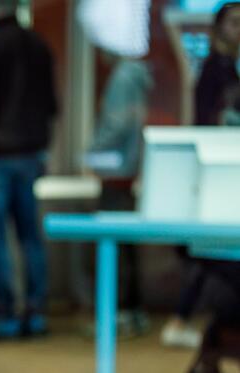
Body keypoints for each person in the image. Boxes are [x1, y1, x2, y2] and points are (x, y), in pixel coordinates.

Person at [0, 0, 57, 340]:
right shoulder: (38, 44)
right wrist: (44, 150)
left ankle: (5, 314)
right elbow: (51, 107)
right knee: (30, 235)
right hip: (31, 153)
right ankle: (36, 312)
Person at [164, 1, 240, 348]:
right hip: (214, 177)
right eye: (234, 23)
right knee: (210, 253)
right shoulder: (215, 71)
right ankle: (182, 321)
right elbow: (208, 124)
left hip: (223, 176)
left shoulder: (226, 70)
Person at [85, 53, 153, 338]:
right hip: (128, 170)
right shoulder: (136, 77)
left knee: (114, 246)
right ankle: (131, 310)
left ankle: (119, 312)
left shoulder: (122, 78)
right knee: (125, 244)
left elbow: (116, 125)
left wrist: (91, 154)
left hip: (116, 170)